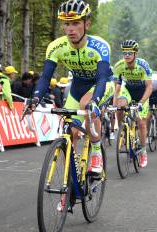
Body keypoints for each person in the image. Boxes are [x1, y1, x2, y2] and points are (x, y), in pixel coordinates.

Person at [31, 0, 113, 175]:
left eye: (76, 23)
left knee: (87, 105)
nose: (70, 29)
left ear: (87, 24)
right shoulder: (56, 46)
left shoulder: (99, 46)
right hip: (76, 88)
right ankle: (71, 176)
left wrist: (95, 101)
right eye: (67, 24)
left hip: (100, 85)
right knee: (71, 132)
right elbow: (45, 77)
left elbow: (102, 78)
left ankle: (97, 151)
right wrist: (36, 98)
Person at [113, 39, 152, 168]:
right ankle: (121, 130)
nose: (127, 55)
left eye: (130, 52)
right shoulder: (119, 66)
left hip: (142, 93)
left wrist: (141, 102)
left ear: (135, 53)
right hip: (128, 90)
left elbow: (149, 87)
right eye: (125, 53)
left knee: (141, 123)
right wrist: (114, 104)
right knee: (120, 106)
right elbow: (117, 88)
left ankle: (143, 151)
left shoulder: (143, 65)